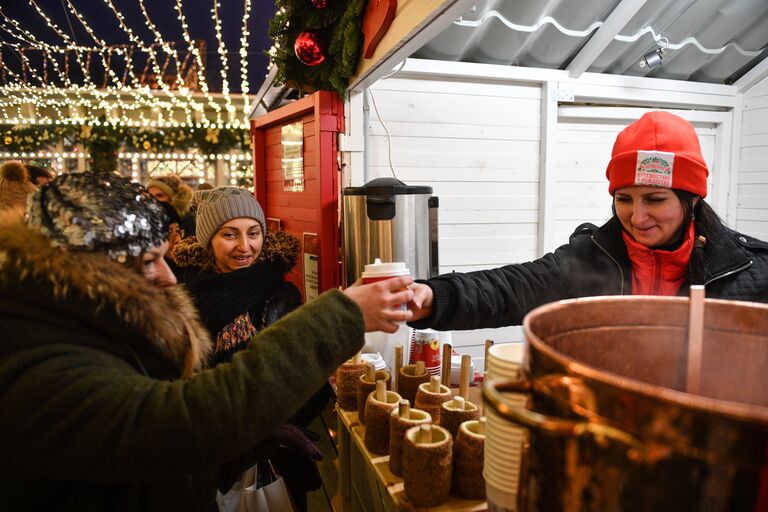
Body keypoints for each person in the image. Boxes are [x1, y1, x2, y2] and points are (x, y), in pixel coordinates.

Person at [0, 172, 414, 510]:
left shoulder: (85, 321)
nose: (166, 276)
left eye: (254, 233)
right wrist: (342, 316)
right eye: (147, 262)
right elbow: (181, 422)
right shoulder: (37, 359)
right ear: (85, 269)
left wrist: (248, 441)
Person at [408, 111, 768, 333]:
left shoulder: (751, 272)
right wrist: (433, 296)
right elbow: (508, 289)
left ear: (692, 200)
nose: (637, 217)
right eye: (623, 199)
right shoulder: (591, 258)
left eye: (655, 199)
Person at [170, 187, 325, 510]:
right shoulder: (183, 300)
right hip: (213, 462)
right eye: (230, 234)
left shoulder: (281, 294)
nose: (245, 246)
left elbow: (308, 379)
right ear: (207, 239)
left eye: (254, 233)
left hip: (279, 460)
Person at [146, 173, 195, 237]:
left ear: (174, 199)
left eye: (159, 195)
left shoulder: (188, 224)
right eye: (149, 196)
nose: (153, 200)